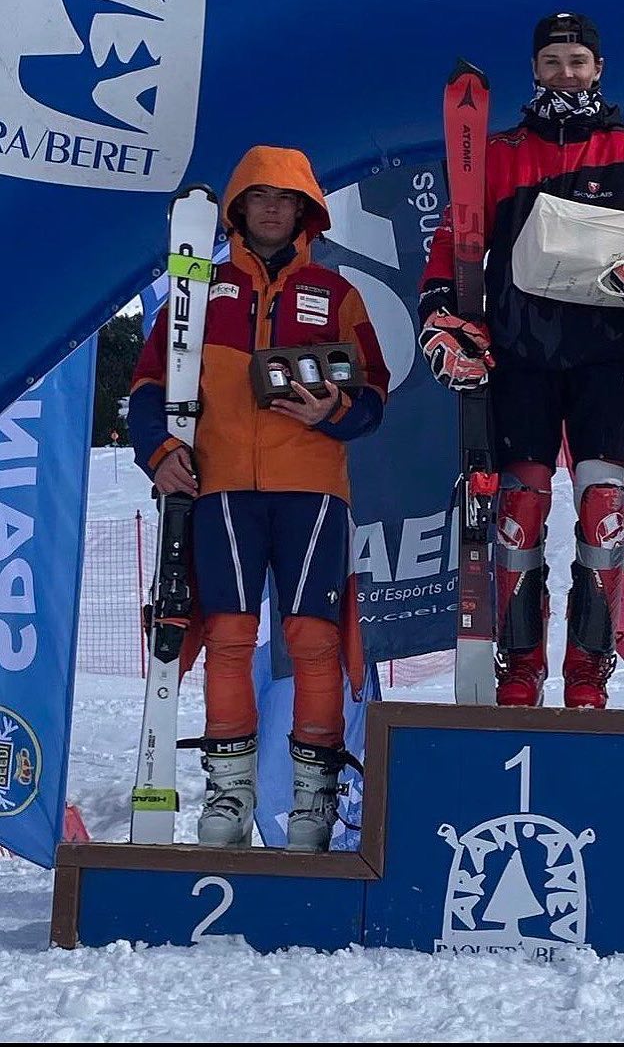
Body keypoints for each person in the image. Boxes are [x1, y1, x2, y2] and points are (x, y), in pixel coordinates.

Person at [418, 11, 624, 709]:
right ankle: (520, 669)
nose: (566, 73)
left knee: (604, 507)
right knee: (519, 509)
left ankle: (587, 672)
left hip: (608, 355)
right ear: (535, 70)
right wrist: (441, 316)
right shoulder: (502, 152)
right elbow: (454, 242)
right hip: (522, 352)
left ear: (598, 68)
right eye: (552, 61)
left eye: (577, 61)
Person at [128, 146, 390, 852]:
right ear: (238, 209)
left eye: (286, 199)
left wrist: (333, 412)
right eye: (259, 197)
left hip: (313, 492)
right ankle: (229, 796)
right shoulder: (198, 291)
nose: (272, 210)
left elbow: (374, 392)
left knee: (314, 642)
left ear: (305, 212)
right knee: (229, 639)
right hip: (221, 491)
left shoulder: (336, 293)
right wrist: (160, 453)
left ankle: (314, 802)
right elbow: (148, 385)